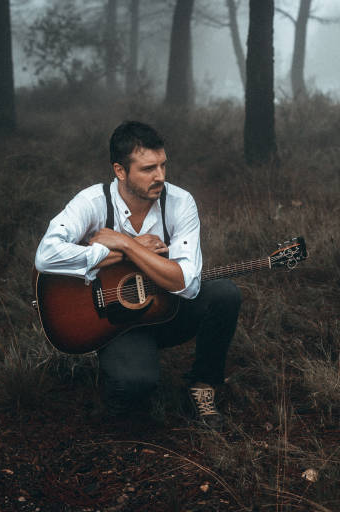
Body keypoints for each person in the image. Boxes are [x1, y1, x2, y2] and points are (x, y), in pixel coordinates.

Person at [34, 121, 241, 428]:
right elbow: (46, 255)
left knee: (225, 293)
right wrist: (112, 254)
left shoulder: (180, 202)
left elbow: (185, 283)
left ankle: (202, 385)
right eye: (147, 169)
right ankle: (120, 376)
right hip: (115, 322)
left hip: (170, 311)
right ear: (120, 171)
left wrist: (127, 246)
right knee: (135, 388)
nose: (160, 177)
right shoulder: (92, 202)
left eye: (162, 165)